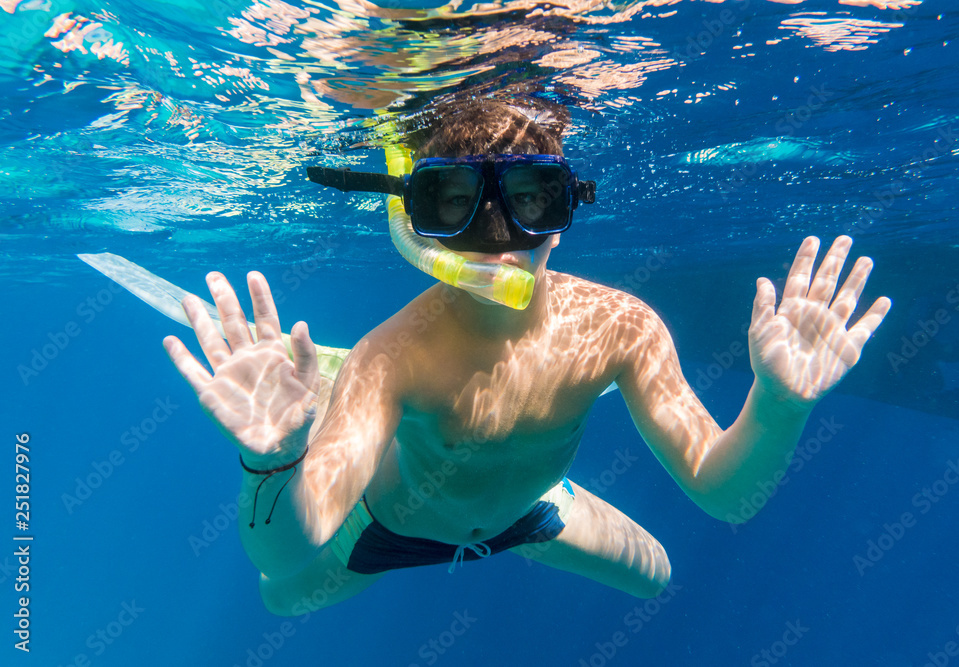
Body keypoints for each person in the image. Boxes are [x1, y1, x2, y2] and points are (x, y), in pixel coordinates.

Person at [163, 100, 891, 613]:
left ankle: (534, 507)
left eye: (532, 198)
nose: (498, 235)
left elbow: (728, 496)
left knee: (657, 575)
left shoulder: (620, 327)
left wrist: (780, 405)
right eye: (454, 202)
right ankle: (320, 401)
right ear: (424, 228)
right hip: (387, 524)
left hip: (526, 509)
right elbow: (286, 551)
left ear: (564, 214)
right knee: (280, 596)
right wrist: (274, 460)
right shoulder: (390, 359)